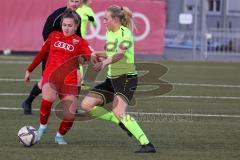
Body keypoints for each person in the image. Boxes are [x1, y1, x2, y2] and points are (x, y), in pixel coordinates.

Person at [80, 5, 156, 153]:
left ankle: (147, 144)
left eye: (105, 19)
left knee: (119, 112)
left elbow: (119, 54)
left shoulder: (125, 33)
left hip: (126, 78)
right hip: (111, 79)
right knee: (86, 105)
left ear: (115, 19)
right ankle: (120, 123)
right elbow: (110, 52)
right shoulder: (109, 32)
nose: (103, 21)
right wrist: (95, 54)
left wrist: (103, 63)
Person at [24, 9, 92, 144]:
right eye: (64, 25)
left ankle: (59, 136)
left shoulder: (80, 42)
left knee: (70, 114)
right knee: (48, 97)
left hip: (70, 79)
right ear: (61, 24)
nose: (66, 28)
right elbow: (42, 54)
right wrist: (29, 70)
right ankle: (42, 128)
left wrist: (87, 59)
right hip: (51, 75)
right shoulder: (53, 36)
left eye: (70, 25)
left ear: (76, 26)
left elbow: (89, 57)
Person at [21, 0, 82, 115]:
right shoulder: (56, 16)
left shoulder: (77, 17)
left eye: (77, 1)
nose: (74, 3)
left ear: (80, 3)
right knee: (47, 81)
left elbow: (78, 37)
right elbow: (46, 35)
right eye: (72, 0)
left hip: (69, 54)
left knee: (76, 78)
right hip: (52, 54)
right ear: (67, 1)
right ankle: (27, 102)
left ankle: (71, 105)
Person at [76, 0, 97, 89]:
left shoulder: (87, 9)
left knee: (80, 61)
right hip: (73, 39)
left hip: (81, 40)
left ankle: (79, 82)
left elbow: (95, 23)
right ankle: (79, 82)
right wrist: (91, 20)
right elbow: (95, 24)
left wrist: (91, 20)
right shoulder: (84, 9)